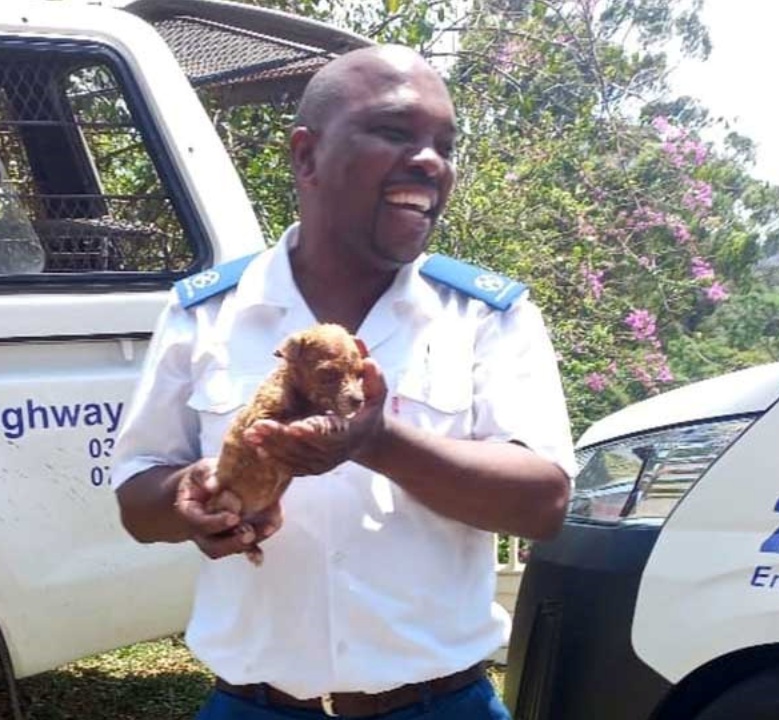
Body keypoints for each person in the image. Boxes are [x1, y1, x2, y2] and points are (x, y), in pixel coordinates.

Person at [110, 43, 576, 720]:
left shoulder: (485, 317)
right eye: (394, 132)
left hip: (440, 706)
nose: (429, 161)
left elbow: (542, 504)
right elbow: (136, 498)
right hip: (252, 707)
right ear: (306, 157)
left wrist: (376, 441)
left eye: (444, 144)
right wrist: (187, 497)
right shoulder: (206, 316)